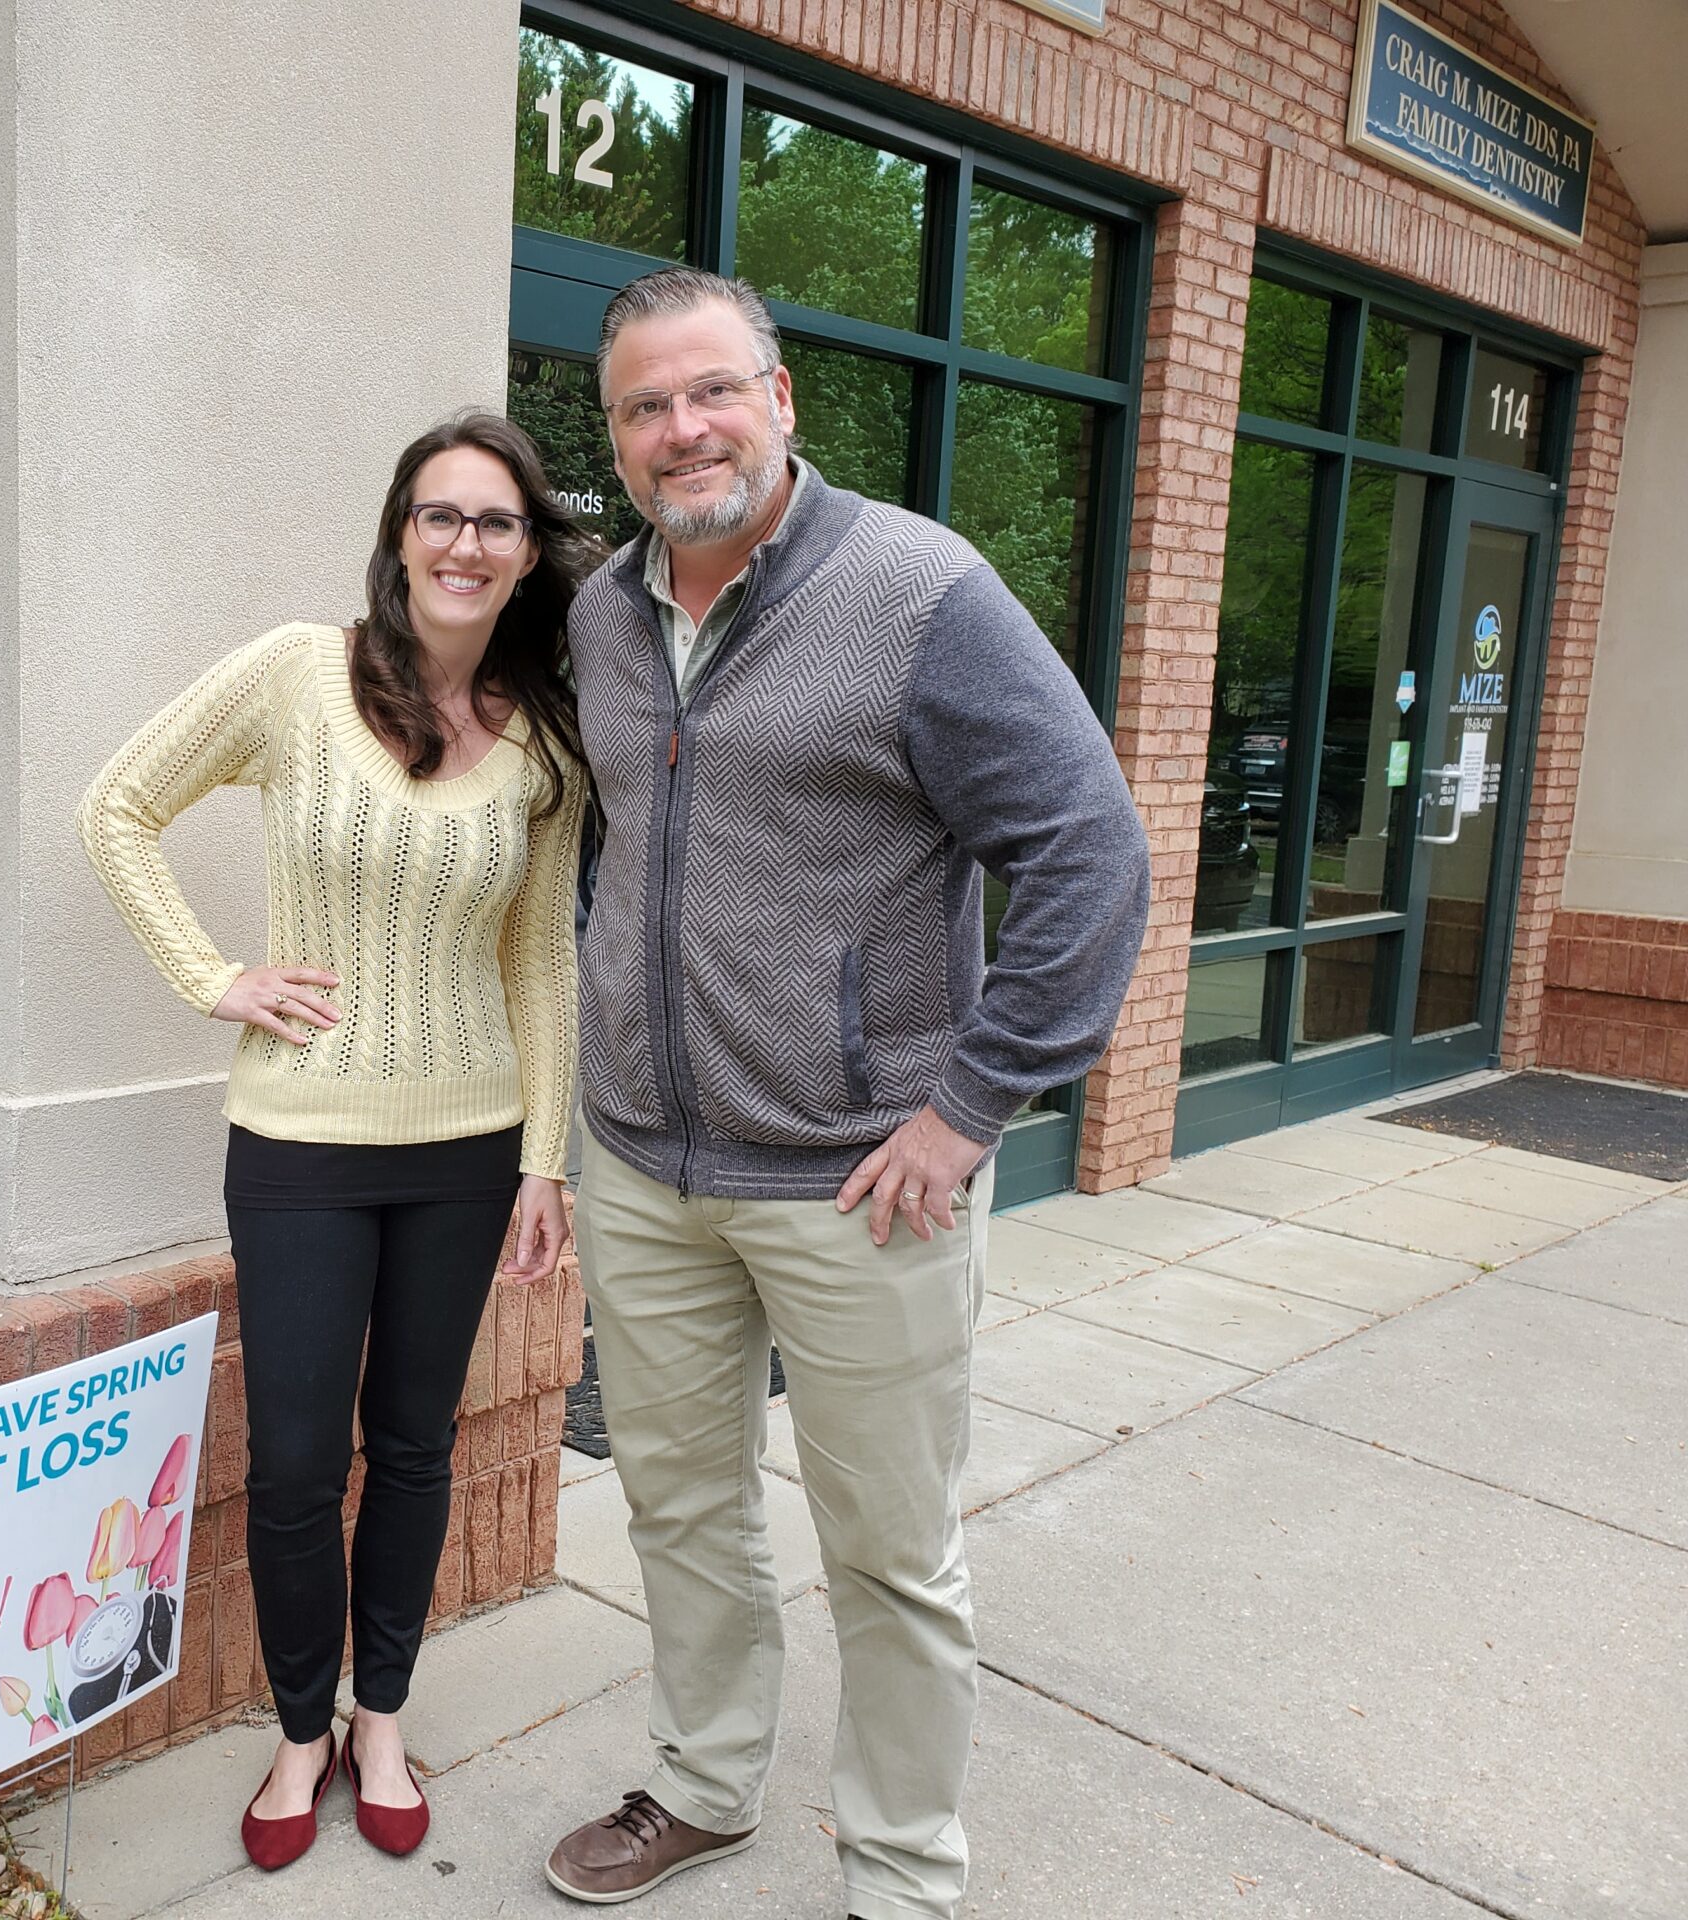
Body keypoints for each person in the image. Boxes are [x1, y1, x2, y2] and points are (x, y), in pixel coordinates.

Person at [543, 267, 1151, 1919]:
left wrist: (970, 1108)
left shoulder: (917, 593)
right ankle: (703, 1782)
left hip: (859, 1181)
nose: (684, 430)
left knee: (890, 1554)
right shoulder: (600, 613)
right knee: (678, 1507)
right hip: (645, 1169)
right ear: (615, 437)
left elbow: (1089, 854)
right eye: (645, 407)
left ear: (782, 396)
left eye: (712, 391)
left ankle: (901, 1868)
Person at [79, 412, 594, 1871]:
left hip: (468, 1149)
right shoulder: (299, 676)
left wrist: (544, 1159)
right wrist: (212, 978)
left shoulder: (546, 738)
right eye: (441, 515)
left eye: (496, 522)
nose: (466, 543)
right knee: (300, 1460)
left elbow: (541, 963)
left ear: (522, 553)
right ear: (400, 534)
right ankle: (301, 1732)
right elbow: (118, 808)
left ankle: (384, 1715)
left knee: (415, 1447)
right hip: (299, 1140)